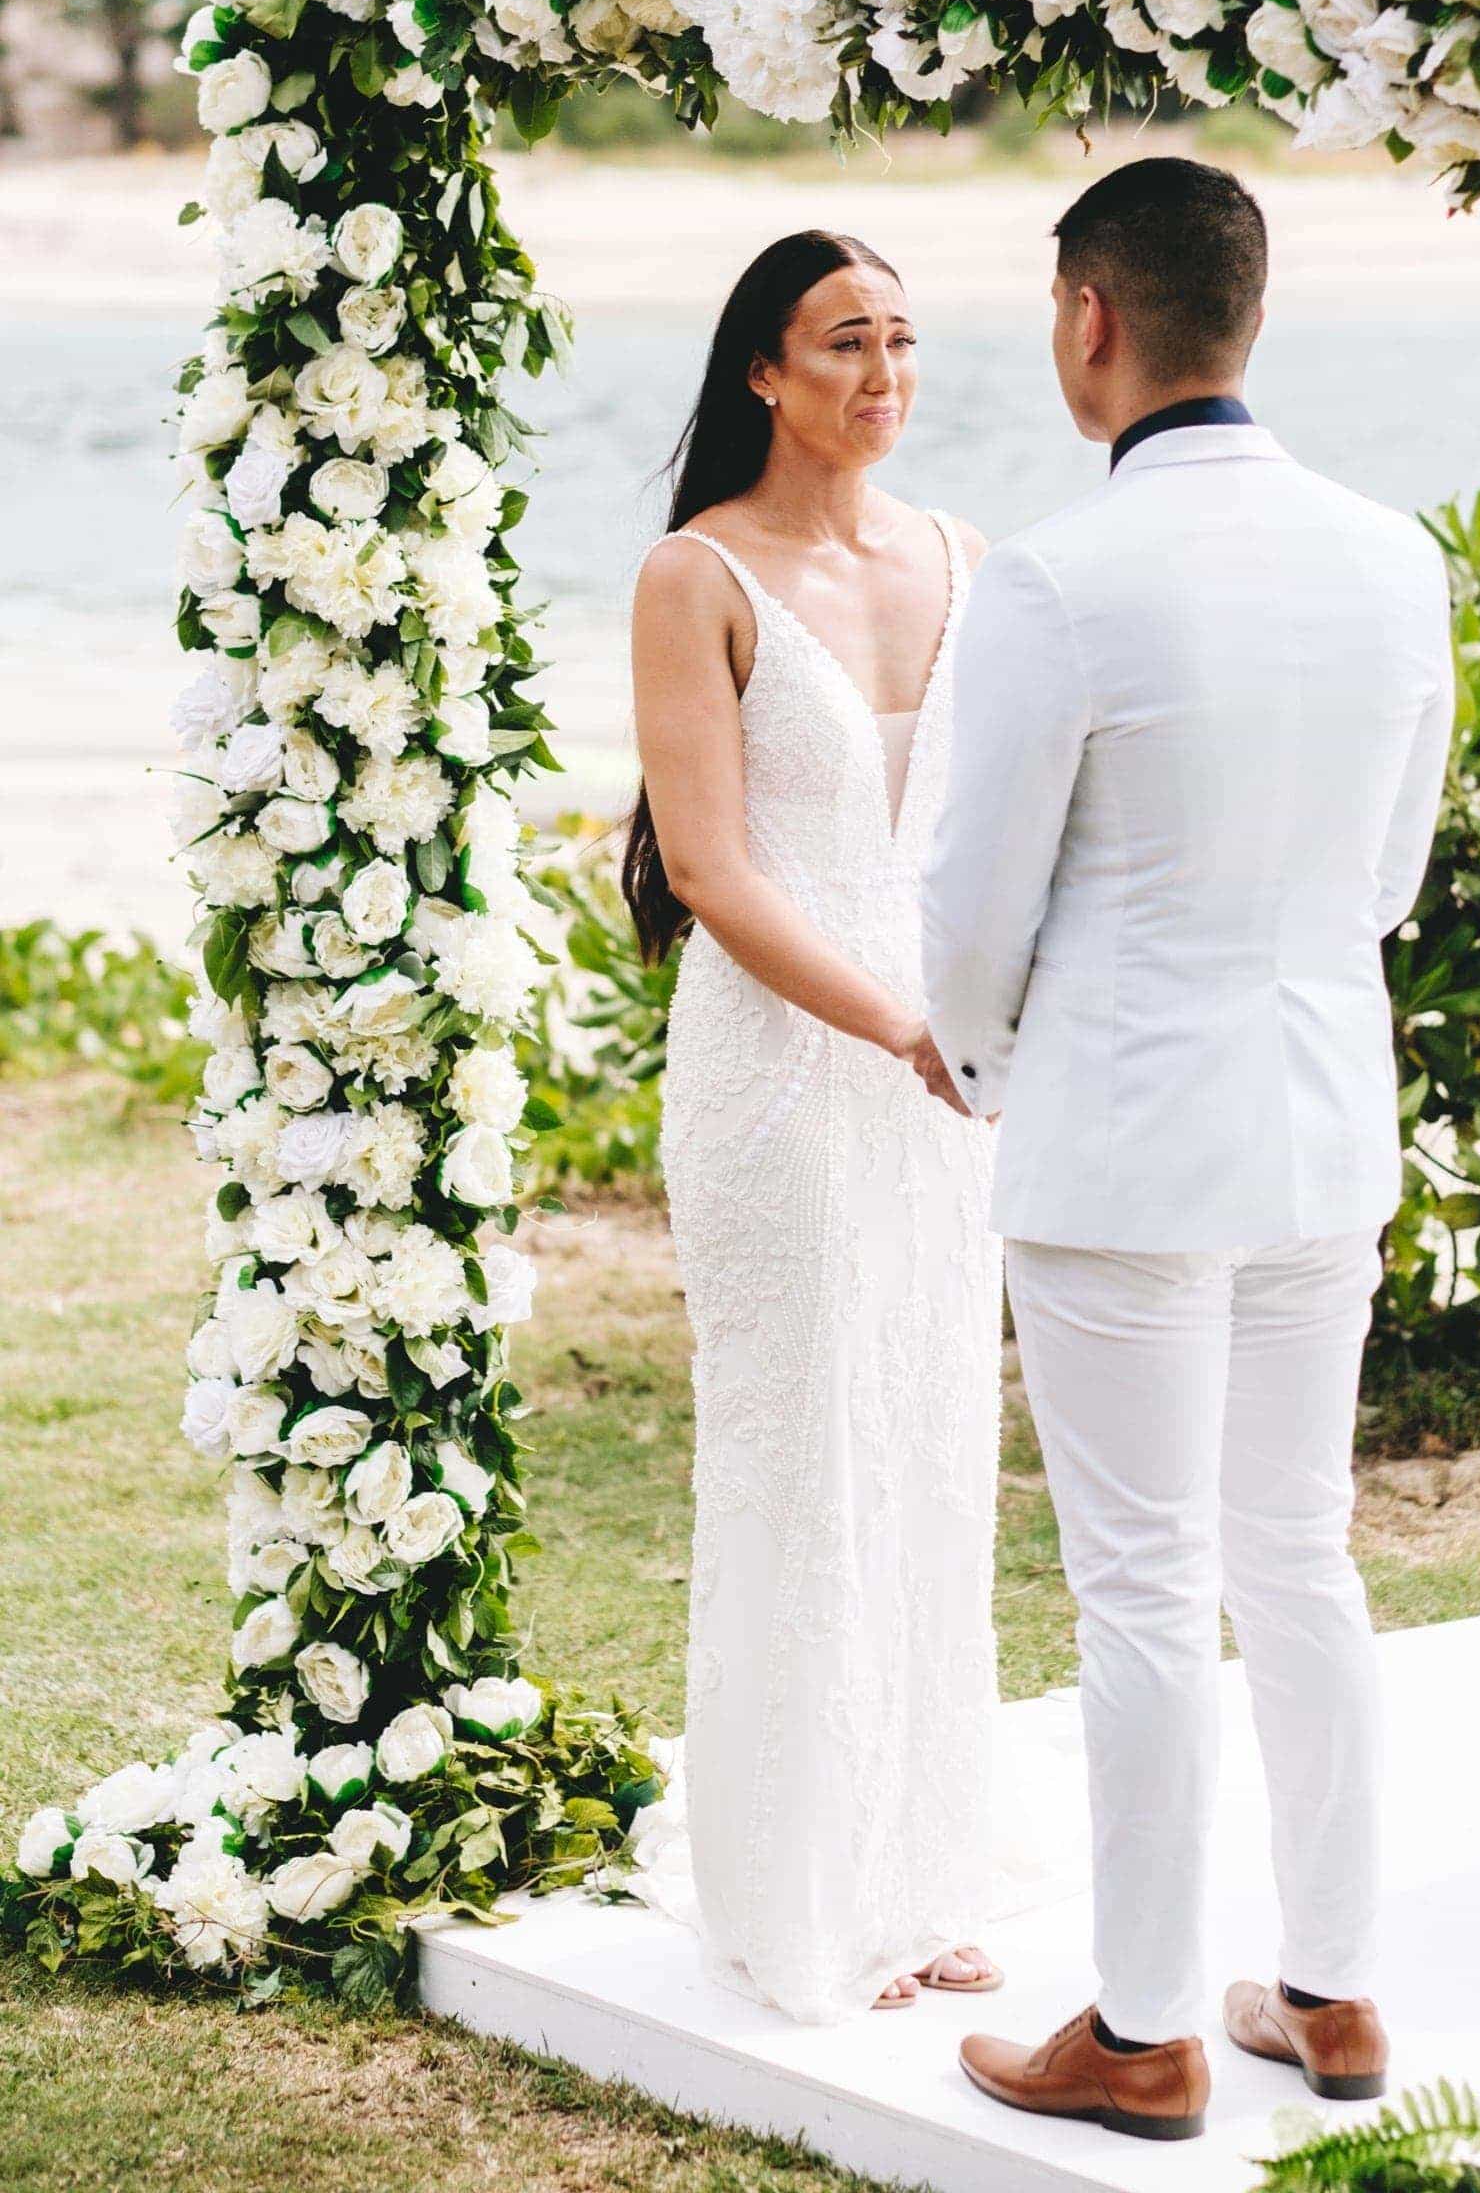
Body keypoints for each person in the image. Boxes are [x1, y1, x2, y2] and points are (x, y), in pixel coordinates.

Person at [922, 156, 1453, 2134]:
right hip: (1321, 1121)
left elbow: (975, 913)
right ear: (1250, 308)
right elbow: (1383, 875)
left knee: (1143, 1587)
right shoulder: (1396, 557)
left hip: (1127, 1140)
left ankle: (1141, 2027)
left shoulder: (1061, 576)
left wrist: (973, 1063)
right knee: (1299, 1556)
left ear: (1088, 318)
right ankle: (1331, 1998)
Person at [624, 227, 1002, 2022]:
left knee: (927, 1444)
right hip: (785, 1074)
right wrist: (899, 1025)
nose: (882, 375)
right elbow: (710, 869)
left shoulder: (968, 560)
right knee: (801, 1458)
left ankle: (919, 1876)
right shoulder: (695, 576)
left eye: (904, 341)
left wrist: (982, 1027)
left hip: (949, 1086)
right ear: (763, 373)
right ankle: (790, 1897)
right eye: (845, 342)